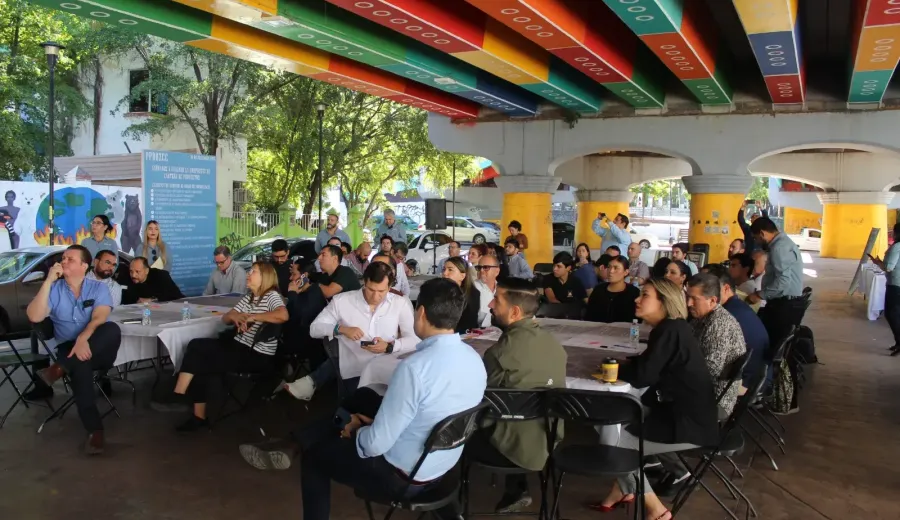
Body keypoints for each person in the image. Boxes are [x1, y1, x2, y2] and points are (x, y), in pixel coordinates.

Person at [297, 278, 486, 520]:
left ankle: (303, 443)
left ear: (421, 312)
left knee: (314, 458)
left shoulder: (415, 368)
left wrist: (357, 431)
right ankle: (299, 439)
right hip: (444, 465)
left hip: (404, 477)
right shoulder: (474, 358)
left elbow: (375, 445)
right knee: (366, 396)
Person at [592, 278, 718, 520]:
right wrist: (624, 365)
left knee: (613, 446)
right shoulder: (673, 328)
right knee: (604, 418)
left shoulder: (670, 330)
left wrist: (613, 367)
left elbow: (643, 377)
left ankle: (656, 509)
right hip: (681, 413)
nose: (637, 299)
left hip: (688, 425)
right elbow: (648, 365)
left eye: (645, 295)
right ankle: (623, 488)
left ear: (664, 302)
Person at [470, 278, 566, 513]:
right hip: (548, 438)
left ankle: (447, 505)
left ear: (514, 312)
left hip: (508, 447)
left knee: (453, 431)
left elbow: (480, 400)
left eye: (496, 300)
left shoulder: (499, 354)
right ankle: (517, 488)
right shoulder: (555, 345)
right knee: (518, 412)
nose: (490, 305)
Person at [166, 262, 288, 431]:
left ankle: (183, 400)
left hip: (256, 355)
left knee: (198, 354)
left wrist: (253, 317)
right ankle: (187, 402)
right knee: (196, 350)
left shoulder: (271, 295)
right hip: (239, 346)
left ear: (265, 277)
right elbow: (226, 318)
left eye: (253, 272)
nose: (248, 274)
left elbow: (283, 315)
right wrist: (235, 317)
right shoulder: (250, 297)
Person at [26, 245, 121, 454]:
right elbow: (34, 316)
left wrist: (83, 339)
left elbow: (100, 317)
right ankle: (95, 431)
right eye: (63, 258)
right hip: (69, 349)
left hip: (97, 349)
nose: (63, 261)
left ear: (84, 266)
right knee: (80, 368)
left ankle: (59, 368)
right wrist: (48, 281)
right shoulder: (54, 289)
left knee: (111, 329)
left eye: (70, 259)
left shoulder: (98, 288)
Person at [284, 262, 418, 401]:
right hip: (355, 370)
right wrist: (340, 329)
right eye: (371, 290)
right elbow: (315, 328)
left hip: (387, 370)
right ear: (364, 282)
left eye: (381, 291)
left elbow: (414, 340)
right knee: (362, 403)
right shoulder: (342, 301)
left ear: (389, 287)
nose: (375, 297)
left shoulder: (399, 303)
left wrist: (390, 346)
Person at [686, 273, 747, 416]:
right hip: (702, 390)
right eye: (687, 297)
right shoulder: (701, 317)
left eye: (694, 299)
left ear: (712, 300)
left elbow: (711, 369)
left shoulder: (719, 323)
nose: (688, 303)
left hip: (715, 399)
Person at [705, 265, 771, 389]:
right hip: (758, 376)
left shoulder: (725, 316)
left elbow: (712, 365)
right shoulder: (737, 306)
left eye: (708, 288)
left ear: (726, 288)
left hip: (744, 383)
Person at [748, 217, 804, 361]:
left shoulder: (779, 248)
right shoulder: (783, 243)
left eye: (756, 238)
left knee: (766, 342)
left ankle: (765, 372)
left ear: (762, 233)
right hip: (787, 302)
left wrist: (760, 295)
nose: (756, 242)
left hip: (784, 305)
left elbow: (783, 281)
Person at [293, 245, 361, 301]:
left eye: (323, 255)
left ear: (335, 258)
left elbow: (328, 292)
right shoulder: (324, 276)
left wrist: (311, 286)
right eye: (319, 255)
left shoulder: (345, 272)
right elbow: (308, 275)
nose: (319, 258)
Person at [871, 223, 900, 354]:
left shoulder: (897, 247)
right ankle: (898, 342)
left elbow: (888, 267)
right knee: (895, 314)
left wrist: (878, 263)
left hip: (895, 285)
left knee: (891, 314)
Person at [585, 256, 640, 323]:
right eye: (609, 267)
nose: (611, 271)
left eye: (616, 268)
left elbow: (637, 321)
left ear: (626, 272)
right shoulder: (599, 289)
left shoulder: (634, 293)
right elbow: (589, 316)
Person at [442, 256, 481, 333]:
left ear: (462, 276)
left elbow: (469, 324)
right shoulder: (440, 292)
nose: (445, 273)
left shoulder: (472, 294)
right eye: (444, 269)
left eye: (450, 270)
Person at [475, 254, 502, 326]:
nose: (481, 270)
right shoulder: (472, 289)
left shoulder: (502, 290)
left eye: (486, 267)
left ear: (497, 271)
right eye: (479, 268)